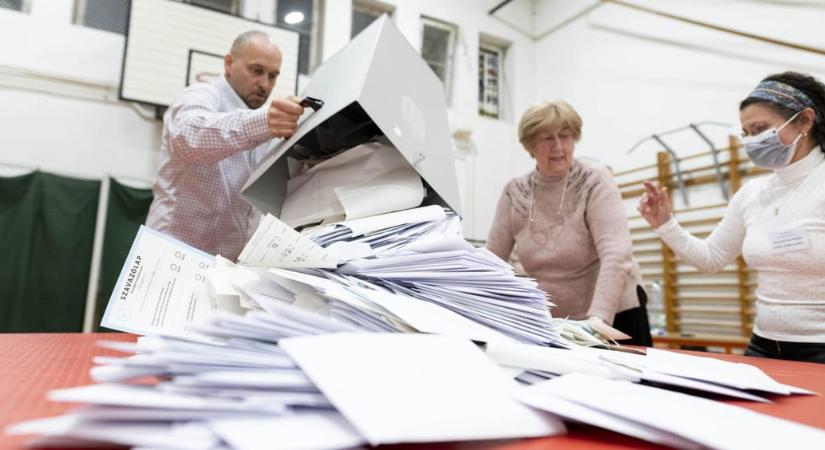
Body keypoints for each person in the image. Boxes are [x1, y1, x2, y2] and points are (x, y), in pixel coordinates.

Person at [638, 71, 825, 363]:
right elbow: (711, 258)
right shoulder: (752, 194)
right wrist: (665, 224)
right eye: (747, 133)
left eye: (761, 128)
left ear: (805, 120)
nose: (753, 141)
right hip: (763, 344)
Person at [487, 101, 652, 346]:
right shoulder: (515, 193)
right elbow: (491, 262)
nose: (558, 146)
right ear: (530, 145)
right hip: (555, 321)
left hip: (613, 315)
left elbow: (617, 255)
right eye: (547, 138)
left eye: (565, 136)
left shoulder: (594, 180)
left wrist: (597, 323)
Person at [146, 31, 305, 260]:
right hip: (171, 255)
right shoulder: (200, 95)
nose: (265, 84)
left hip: (225, 265)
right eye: (256, 70)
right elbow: (188, 136)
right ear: (229, 64)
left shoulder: (264, 125)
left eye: (273, 76)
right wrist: (262, 122)